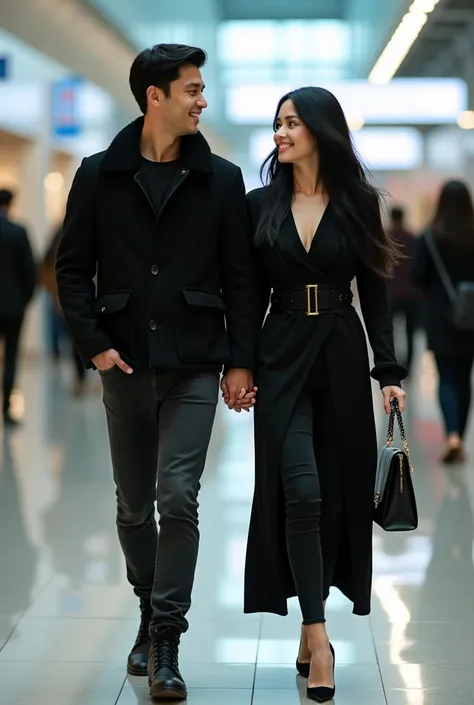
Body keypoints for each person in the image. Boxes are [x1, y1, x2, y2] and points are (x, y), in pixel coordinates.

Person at [56, 44, 258, 701]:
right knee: (133, 504)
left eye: (202, 89)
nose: (203, 100)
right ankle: (148, 604)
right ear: (155, 97)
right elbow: (70, 269)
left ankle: (166, 635)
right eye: (192, 90)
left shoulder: (222, 180)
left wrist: (241, 359)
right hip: (124, 364)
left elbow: (239, 277)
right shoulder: (96, 175)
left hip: (196, 362)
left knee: (178, 494)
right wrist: (95, 347)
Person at [224, 87, 407, 703]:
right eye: (277, 123)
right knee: (297, 489)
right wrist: (240, 364)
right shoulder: (259, 205)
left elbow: (376, 294)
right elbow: (245, 296)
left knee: (333, 498)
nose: (280, 133)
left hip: (340, 354)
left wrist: (389, 374)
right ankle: (317, 632)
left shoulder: (357, 203)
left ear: (321, 130)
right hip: (279, 357)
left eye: (292, 122)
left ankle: (313, 618)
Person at [413, 180, 474, 464]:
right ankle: (459, 435)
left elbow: (418, 276)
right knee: (465, 377)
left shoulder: (429, 236)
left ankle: (451, 436)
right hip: (471, 317)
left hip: (439, 317)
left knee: (447, 376)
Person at [0, 189, 36, 427]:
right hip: (13, 306)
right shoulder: (18, 232)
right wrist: (25, 300)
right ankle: (6, 411)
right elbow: (29, 271)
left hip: (13, 304)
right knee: (11, 356)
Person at [40, 225, 87, 396]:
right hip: (76, 293)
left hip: (65, 294)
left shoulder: (60, 233)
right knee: (77, 336)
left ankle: (81, 377)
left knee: (74, 335)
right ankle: (82, 376)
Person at [386, 206, 421, 372]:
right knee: (410, 332)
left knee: (389, 331)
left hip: (391, 292)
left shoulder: (385, 237)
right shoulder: (412, 238)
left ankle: (391, 360)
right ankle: (409, 365)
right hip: (411, 293)